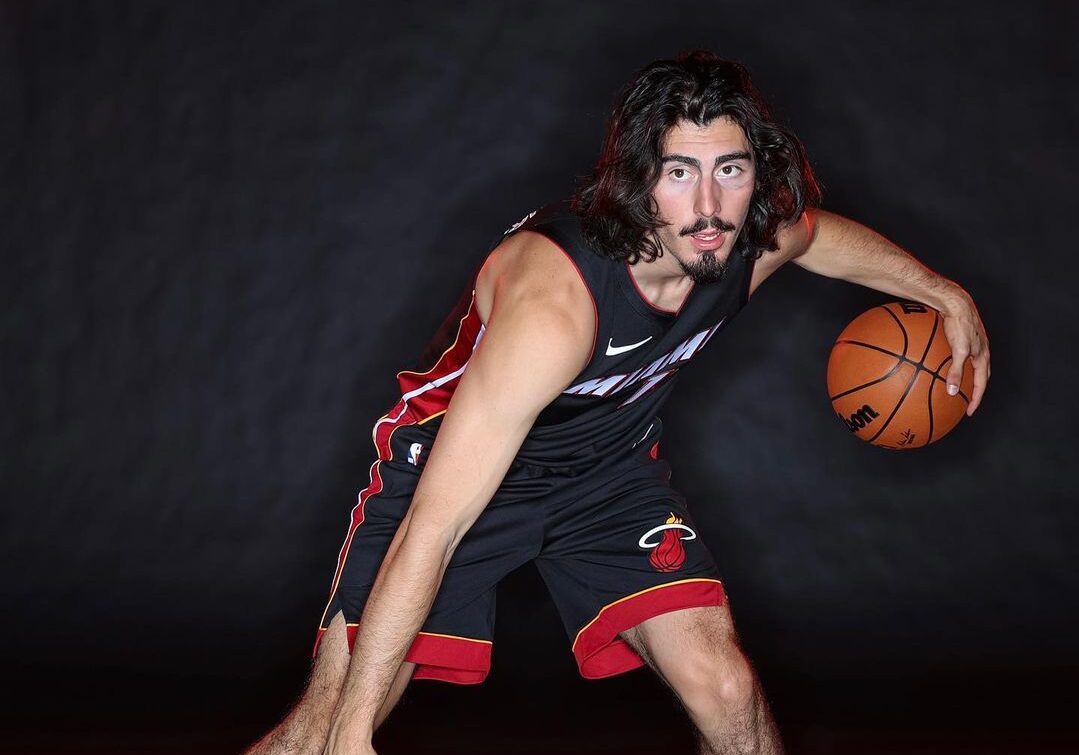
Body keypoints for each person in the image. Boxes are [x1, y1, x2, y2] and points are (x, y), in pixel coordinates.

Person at [247, 51, 990, 755]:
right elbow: (433, 528)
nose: (707, 205)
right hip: (450, 473)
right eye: (679, 173)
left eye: (729, 170)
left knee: (725, 686)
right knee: (327, 728)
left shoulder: (738, 243)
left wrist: (938, 291)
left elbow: (816, 234)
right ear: (639, 182)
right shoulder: (557, 305)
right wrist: (350, 735)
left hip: (604, 476)